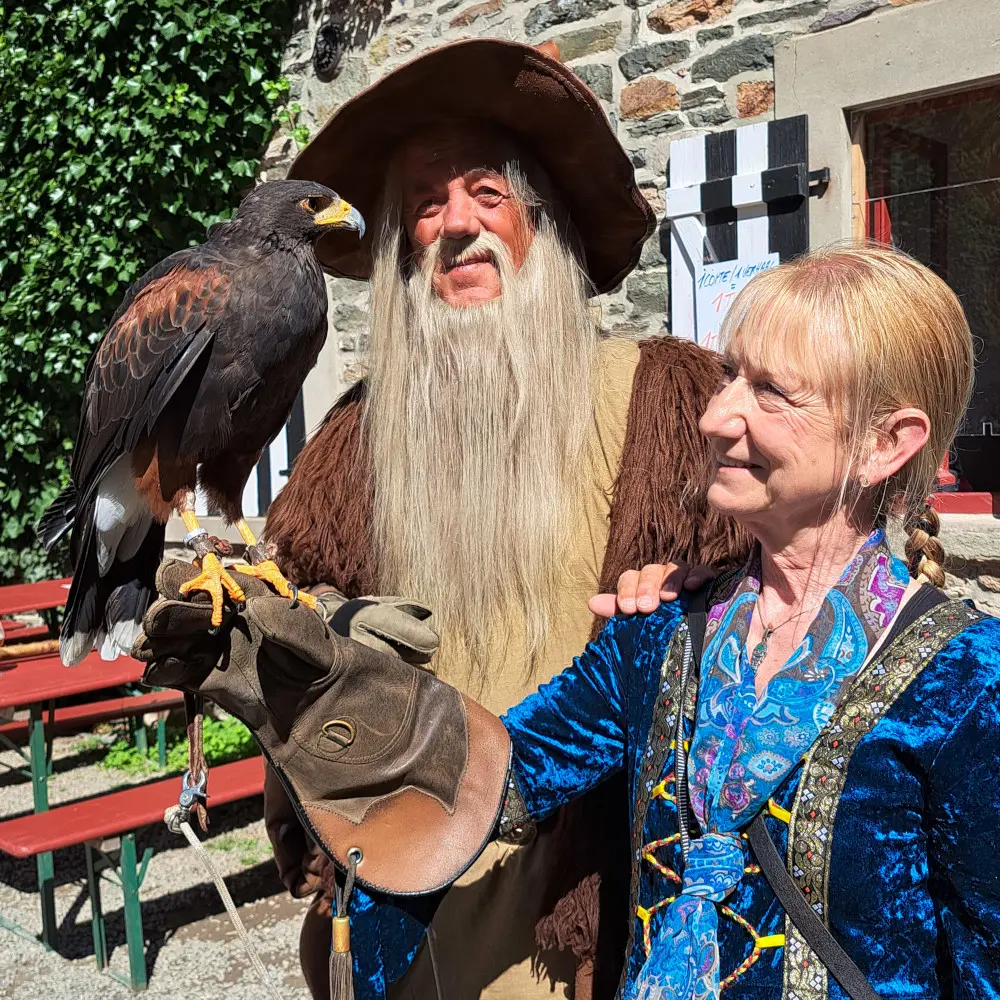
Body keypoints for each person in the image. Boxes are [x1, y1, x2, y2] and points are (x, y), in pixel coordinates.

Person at [136, 244, 1000, 999]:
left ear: (889, 443)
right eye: (730, 373)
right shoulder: (665, 630)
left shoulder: (969, 680)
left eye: (770, 392)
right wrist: (314, 688)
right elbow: (492, 773)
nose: (716, 414)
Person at [256, 36, 745, 1000]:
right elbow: (294, 644)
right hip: (405, 895)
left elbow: (757, 624)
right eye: (426, 204)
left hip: (591, 905)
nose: (455, 226)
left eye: (488, 193)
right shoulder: (352, 440)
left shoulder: (666, 400)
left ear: (546, 221)